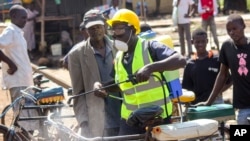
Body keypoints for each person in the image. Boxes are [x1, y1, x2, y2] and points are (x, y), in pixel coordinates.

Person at [93, 9, 186, 135]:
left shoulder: (150, 47)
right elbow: (120, 84)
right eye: (112, 30)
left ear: (132, 30)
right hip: (130, 120)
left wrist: (150, 68)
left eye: (119, 29)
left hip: (157, 116)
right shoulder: (119, 57)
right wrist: (102, 86)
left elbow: (180, 60)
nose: (114, 35)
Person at [67, 9, 121, 137]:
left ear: (105, 26)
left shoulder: (119, 48)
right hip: (98, 120)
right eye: (91, 28)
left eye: (98, 26)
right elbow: (78, 92)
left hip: (122, 115)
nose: (96, 30)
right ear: (86, 30)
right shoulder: (76, 55)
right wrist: (84, 122)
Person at [196, 14, 250, 125]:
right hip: (243, 106)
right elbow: (222, 75)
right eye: (228, 30)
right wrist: (208, 102)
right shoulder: (227, 46)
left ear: (243, 26)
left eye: (234, 29)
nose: (231, 32)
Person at [0, 4, 39, 133]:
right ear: (14, 16)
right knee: (24, 120)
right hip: (18, 82)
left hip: (24, 81)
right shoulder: (10, 31)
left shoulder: (17, 32)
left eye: (26, 18)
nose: (25, 21)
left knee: (28, 118)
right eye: (23, 18)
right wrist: (11, 64)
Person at [182, 28, 232, 105]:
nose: (200, 44)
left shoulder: (217, 60)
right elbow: (187, 88)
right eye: (197, 42)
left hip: (216, 102)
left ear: (207, 41)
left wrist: (217, 93)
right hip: (197, 103)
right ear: (192, 42)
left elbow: (230, 80)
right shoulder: (189, 65)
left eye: (203, 41)